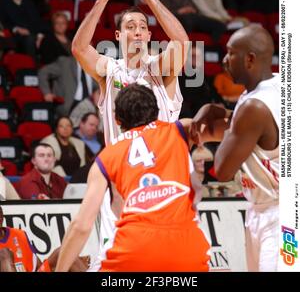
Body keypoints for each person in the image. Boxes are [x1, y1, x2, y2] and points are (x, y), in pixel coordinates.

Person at [71, 0, 189, 268]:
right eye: (129, 27)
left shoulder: (160, 69)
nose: (137, 31)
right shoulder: (109, 70)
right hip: (119, 186)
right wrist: (101, 1)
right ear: (119, 37)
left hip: (161, 184)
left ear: (149, 37)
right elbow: (80, 49)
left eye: (142, 27)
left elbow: (181, 42)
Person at [56, 84, 210, 272]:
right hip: (188, 251)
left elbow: (81, 226)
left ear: (117, 120)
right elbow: (222, 126)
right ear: (156, 110)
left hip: (134, 250)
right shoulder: (179, 130)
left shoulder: (105, 158)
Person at [191, 24, 279, 272]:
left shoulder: (254, 107)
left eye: (231, 53)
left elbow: (222, 169)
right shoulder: (274, 86)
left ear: (250, 59)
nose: (224, 60)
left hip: (278, 215)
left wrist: (227, 123)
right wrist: (219, 111)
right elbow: (255, 131)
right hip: (263, 209)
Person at [0, 206, 39, 272]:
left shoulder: (19, 234)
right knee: (4, 253)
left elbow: (36, 263)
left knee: (59, 252)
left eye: (0, 213)